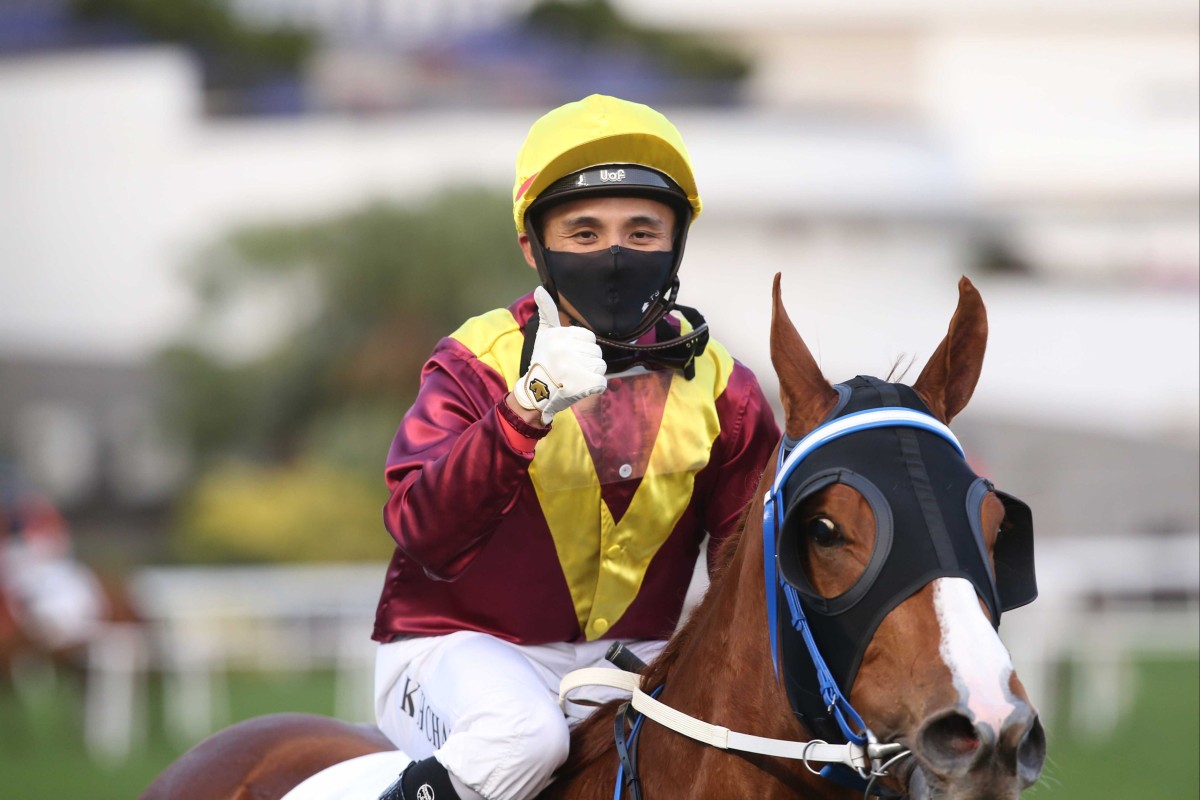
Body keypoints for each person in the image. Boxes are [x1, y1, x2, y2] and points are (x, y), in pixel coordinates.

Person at [372, 94, 780, 800]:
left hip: (634, 657)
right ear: (534, 247)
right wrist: (522, 410)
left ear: (675, 244)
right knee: (524, 739)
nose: (617, 255)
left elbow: (753, 571)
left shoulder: (727, 391)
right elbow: (421, 531)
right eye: (584, 234)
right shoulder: (474, 362)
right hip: (459, 648)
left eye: (642, 232)